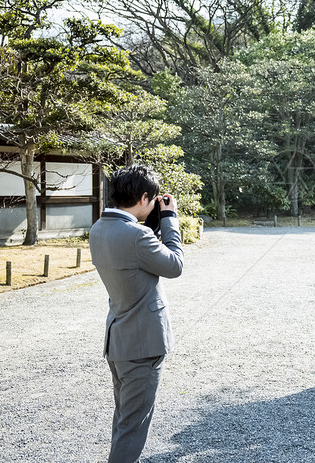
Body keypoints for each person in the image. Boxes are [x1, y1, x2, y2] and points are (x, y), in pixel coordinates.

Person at [89, 165, 184, 462]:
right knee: (133, 426)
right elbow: (174, 265)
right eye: (154, 200)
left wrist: (153, 222)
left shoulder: (98, 229)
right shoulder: (136, 236)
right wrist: (169, 218)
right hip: (143, 344)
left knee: (124, 419)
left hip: (118, 340)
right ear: (144, 197)